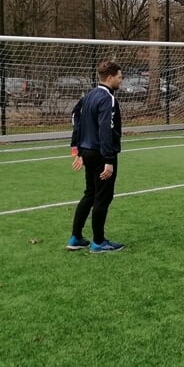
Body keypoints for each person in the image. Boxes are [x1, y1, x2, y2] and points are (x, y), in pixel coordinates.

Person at [67, 60, 125, 253]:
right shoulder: (107, 98)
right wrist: (109, 160)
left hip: (88, 153)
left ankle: (75, 237)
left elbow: (76, 118)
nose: (121, 81)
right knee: (102, 197)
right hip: (101, 154)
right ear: (110, 77)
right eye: (119, 77)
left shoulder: (88, 95)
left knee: (90, 194)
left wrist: (79, 150)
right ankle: (98, 242)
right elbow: (105, 130)